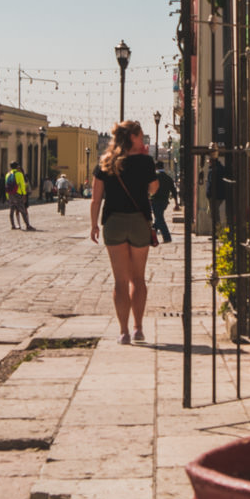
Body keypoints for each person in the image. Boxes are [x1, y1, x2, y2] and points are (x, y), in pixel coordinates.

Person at [90, 120, 159, 345]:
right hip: (139, 222)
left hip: (114, 222)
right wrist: (145, 163)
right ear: (132, 137)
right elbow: (154, 189)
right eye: (140, 136)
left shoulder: (106, 163)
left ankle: (123, 332)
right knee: (138, 278)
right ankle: (138, 328)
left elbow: (96, 198)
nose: (142, 140)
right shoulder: (146, 162)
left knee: (120, 280)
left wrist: (94, 225)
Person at [5, 161, 35, 231]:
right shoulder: (19, 174)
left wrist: (7, 196)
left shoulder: (7, 174)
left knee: (11, 211)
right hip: (18, 194)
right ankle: (27, 225)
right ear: (17, 166)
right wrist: (24, 194)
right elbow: (22, 185)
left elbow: (6, 186)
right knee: (23, 210)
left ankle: (13, 225)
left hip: (10, 194)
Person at [151, 166, 176, 243]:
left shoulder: (155, 177)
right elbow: (173, 190)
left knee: (159, 219)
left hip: (155, 200)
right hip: (164, 201)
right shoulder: (168, 178)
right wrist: (176, 203)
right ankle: (151, 236)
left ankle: (167, 237)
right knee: (158, 218)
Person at [206, 155, 231, 230]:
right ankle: (217, 231)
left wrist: (209, 194)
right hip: (220, 195)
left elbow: (211, 183)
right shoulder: (221, 168)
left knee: (215, 214)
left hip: (214, 195)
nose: (209, 163)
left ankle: (217, 231)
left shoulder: (213, 170)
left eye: (209, 161)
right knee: (215, 214)